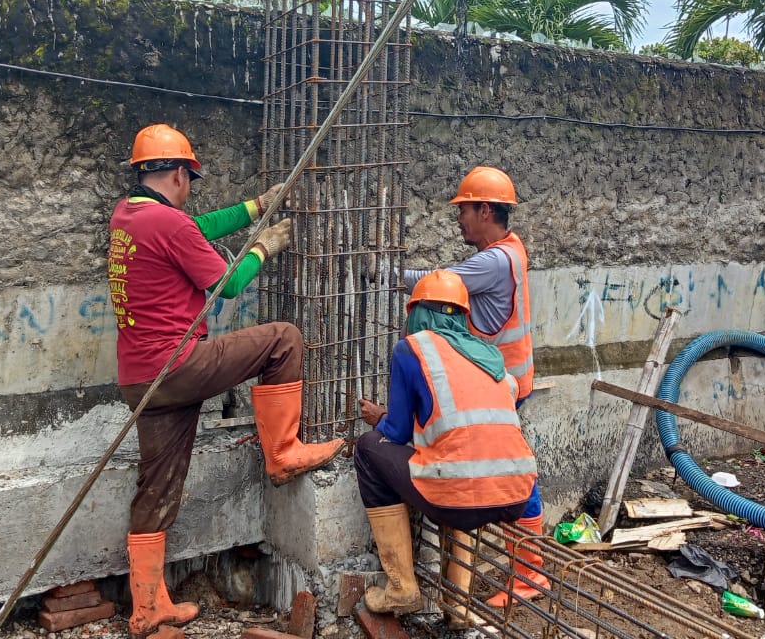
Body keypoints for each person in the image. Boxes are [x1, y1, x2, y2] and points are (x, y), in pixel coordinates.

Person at [108, 123, 344, 637]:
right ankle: (281, 453)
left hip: (141, 379)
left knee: (158, 487)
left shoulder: (129, 216)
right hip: (179, 364)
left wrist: (257, 205)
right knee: (283, 339)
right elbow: (229, 284)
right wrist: (263, 245)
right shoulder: (168, 227)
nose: (190, 187)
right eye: (189, 178)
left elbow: (196, 228)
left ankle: (148, 608)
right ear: (177, 173)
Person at [355, 270, 538, 616]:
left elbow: (394, 433)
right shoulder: (489, 354)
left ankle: (402, 587)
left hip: (458, 498)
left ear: (418, 312)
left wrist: (378, 417)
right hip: (517, 496)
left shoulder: (412, 349)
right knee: (457, 470)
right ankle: (457, 604)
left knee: (368, 449)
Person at [402, 166, 545, 606]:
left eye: (464, 210)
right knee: (511, 473)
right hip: (505, 380)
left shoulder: (494, 261)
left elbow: (434, 285)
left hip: (499, 385)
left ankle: (528, 579)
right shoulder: (512, 251)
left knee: (510, 478)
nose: (459, 219)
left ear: (486, 210)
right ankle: (523, 575)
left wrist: (379, 269)